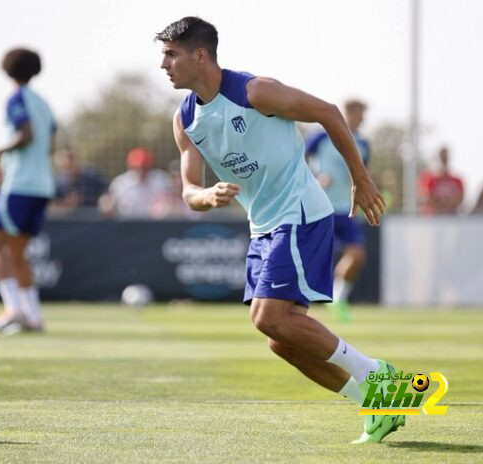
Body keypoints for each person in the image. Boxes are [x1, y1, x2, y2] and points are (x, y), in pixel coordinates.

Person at [156, 17, 399, 444]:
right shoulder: (185, 120)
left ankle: (377, 373)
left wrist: (360, 179)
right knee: (278, 339)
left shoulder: (255, 92)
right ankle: (373, 402)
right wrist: (206, 194)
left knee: (272, 316)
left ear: (200, 55)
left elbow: (328, 112)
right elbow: (188, 190)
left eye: (171, 54)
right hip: (263, 227)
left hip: (300, 214)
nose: (164, 64)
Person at [0, 47, 56, 336]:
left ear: (6, 69)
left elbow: (26, 135)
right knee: (17, 252)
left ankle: (12, 309)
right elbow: (48, 146)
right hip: (42, 185)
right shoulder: (44, 103)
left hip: (20, 186)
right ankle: (34, 318)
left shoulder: (16, 98)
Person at [306, 99, 370, 322]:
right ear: (349, 112)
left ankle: (337, 299)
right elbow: (298, 160)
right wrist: (313, 179)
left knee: (357, 255)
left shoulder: (363, 144)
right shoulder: (320, 136)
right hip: (319, 206)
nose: (363, 118)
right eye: (360, 113)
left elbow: (363, 174)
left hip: (346, 209)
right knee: (310, 256)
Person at [98, 147, 171, 219]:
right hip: (128, 226)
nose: (141, 171)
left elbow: (173, 202)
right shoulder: (120, 184)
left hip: (156, 225)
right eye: (137, 167)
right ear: (130, 166)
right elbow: (108, 204)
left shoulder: (161, 180)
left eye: (144, 167)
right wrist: (107, 206)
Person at [418, 146, 464, 215]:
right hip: (434, 218)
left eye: (446, 156)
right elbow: (428, 198)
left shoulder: (457, 181)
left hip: (452, 217)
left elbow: (459, 199)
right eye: (442, 156)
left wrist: (443, 202)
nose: (444, 159)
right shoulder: (430, 180)